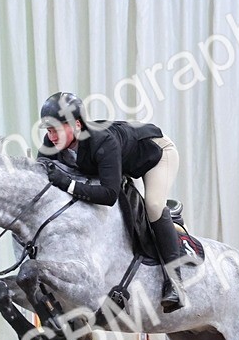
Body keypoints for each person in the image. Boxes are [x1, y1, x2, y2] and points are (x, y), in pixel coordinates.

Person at [36, 91, 186, 312]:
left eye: (56, 129)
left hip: (157, 154)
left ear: (76, 125)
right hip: (125, 158)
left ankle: (175, 281)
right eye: (49, 130)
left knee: (153, 205)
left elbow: (108, 195)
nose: (52, 136)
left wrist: (67, 183)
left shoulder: (102, 141)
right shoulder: (51, 143)